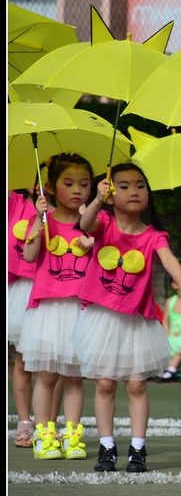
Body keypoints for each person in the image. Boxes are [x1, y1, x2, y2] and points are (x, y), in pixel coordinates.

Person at [75, 163, 181, 473]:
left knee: (137, 386)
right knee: (104, 384)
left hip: (136, 320)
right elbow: (85, 224)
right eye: (125, 185)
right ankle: (106, 446)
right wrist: (98, 199)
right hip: (103, 316)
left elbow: (169, 260)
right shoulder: (102, 221)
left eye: (141, 185)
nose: (134, 191)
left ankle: (138, 449)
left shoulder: (154, 235)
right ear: (112, 192)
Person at [17, 154, 95, 460]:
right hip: (49, 309)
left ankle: (72, 436)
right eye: (69, 183)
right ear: (50, 187)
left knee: (74, 377)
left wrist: (93, 231)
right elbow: (28, 255)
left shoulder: (93, 223)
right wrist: (39, 217)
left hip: (81, 308)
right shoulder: (44, 220)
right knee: (47, 375)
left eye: (84, 184)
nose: (77, 190)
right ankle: (44, 435)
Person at [9, 188, 40, 448]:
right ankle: (24, 421)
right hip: (21, 286)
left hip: (51, 288)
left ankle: (47, 422)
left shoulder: (67, 211)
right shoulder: (14, 203)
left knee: (52, 364)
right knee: (22, 359)